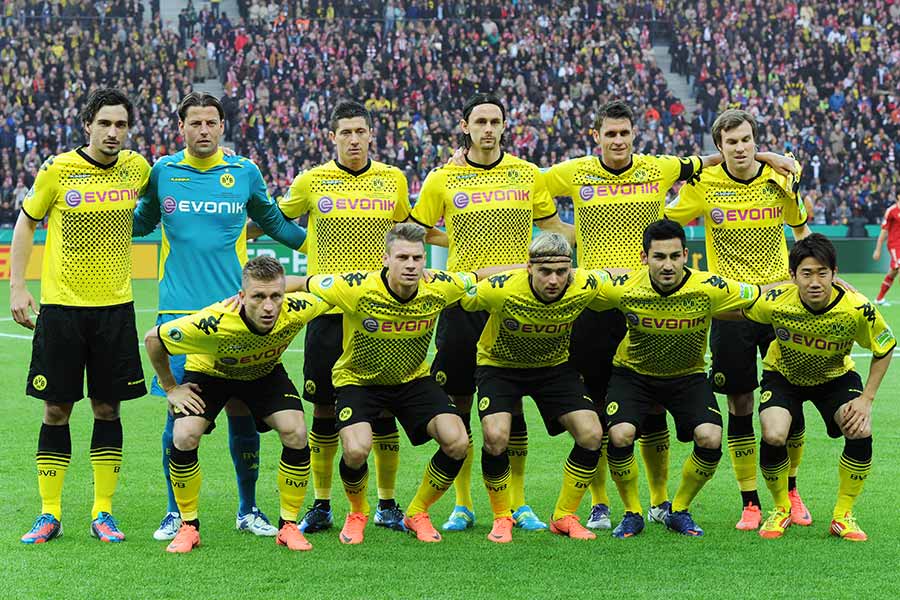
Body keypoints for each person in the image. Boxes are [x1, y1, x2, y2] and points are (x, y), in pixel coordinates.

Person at [133, 91, 309, 541]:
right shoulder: (163, 172)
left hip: (237, 311)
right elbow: (138, 222)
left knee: (242, 411)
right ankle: (176, 513)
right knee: (180, 412)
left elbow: (276, 224)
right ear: (182, 127)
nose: (204, 130)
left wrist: (324, 248)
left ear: (223, 126)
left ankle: (248, 509)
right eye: (195, 123)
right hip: (180, 312)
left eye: (212, 122)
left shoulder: (243, 172)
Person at [410, 92, 573, 532]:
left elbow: (552, 227)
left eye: (494, 121)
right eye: (479, 121)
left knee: (512, 404)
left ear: (505, 126)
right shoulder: (442, 178)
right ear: (465, 126)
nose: (487, 128)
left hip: (517, 306)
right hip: (465, 304)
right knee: (459, 403)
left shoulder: (527, 174)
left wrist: (594, 247)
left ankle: (517, 503)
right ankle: (462, 504)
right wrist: (455, 246)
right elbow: (417, 227)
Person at [12, 88, 150, 544]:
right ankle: (49, 513)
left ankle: (102, 512)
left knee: (107, 408)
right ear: (87, 124)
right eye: (105, 123)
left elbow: (160, 209)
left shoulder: (138, 168)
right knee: (56, 409)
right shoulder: (58, 169)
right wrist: (18, 286)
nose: (113, 133)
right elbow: (27, 221)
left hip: (114, 310)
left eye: (121, 125)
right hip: (62, 310)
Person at [667, 108, 812, 531]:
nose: (741, 147)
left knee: (789, 396)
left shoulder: (780, 177)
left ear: (755, 140)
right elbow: (663, 216)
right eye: (731, 142)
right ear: (719, 148)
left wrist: (773, 158)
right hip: (731, 309)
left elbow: (800, 228)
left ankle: (791, 492)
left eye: (747, 139)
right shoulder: (704, 185)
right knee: (741, 404)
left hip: (780, 303)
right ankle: (750, 501)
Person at [288, 223, 472, 544]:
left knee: (457, 441)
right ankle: (357, 511)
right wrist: (251, 292)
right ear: (386, 259)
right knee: (357, 449)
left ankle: (416, 512)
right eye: (402, 257)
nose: (411, 264)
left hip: (413, 380)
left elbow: (480, 275)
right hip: (358, 381)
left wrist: (527, 264)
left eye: (417, 257)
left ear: (425, 260)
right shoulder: (356, 287)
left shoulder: (440, 287)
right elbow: (303, 282)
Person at [278, 100, 411, 534]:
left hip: (378, 314)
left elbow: (407, 232)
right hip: (327, 312)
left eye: (360, 131)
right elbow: (274, 220)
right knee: (321, 409)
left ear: (372, 135)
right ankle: (321, 503)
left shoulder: (392, 180)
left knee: (383, 408)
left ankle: (387, 504)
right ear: (331, 137)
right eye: (345, 133)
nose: (353, 139)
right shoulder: (311, 181)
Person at [144, 256, 332, 553]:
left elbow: (334, 289)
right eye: (258, 297)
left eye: (276, 296)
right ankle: (188, 527)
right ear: (242, 296)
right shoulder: (213, 321)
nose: (269, 306)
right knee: (184, 434)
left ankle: (288, 526)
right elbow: (153, 339)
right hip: (211, 374)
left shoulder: (298, 308)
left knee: (296, 431)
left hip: (263, 373)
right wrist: (171, 388)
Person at [602, 220, 764, 538]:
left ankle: (679, 509)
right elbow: (575, 286)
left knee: (710, 437)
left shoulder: (709, 287)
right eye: (659, 256)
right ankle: (633, 512)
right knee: (620, 435)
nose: (668, 265)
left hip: (686, 376)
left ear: (686, 255)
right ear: (644, 257)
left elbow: (760, 295)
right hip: (632, 374)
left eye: (675, 256)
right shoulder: (622, 286)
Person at [461, 232, 607, 543]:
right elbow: (460, 291)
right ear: (529, 268)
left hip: (553, 368)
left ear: (571, 269)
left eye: (561, 272)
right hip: (499, 366)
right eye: (544, 272)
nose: (553, 280)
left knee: (592, 433)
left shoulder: (585, 284)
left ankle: (564, 516)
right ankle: (502, 517)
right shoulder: (500, 290)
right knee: (496, 436)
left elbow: (624, 277)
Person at [746, 234, 894, 541]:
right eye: (806, 273)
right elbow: (739, 305)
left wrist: (866, 399)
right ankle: (781, 508)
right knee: (773, 433)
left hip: (834, 378)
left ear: (835, 273)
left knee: (859, 430)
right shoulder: (776, 301)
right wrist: (775, 288)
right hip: (783, 376)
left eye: (822, 273)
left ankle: (843, 515)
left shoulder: (857, 308)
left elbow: (884, 346)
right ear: (793, 276)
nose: (815, 281)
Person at [872, 193, 900, 305]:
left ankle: (879, 299)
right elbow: (884, 231)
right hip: (895, 245)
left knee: (893, 272)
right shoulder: (891, 211)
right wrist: (877, 249)